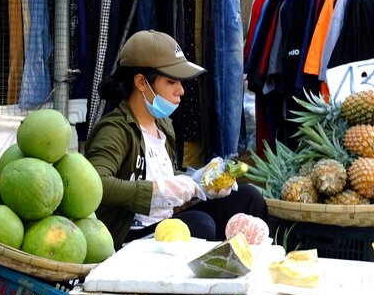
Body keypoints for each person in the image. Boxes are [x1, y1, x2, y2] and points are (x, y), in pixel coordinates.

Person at [85, 31, 268, 245]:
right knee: (200, 224)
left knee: (249, 197)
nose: (181, 90)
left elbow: (167, 181)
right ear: (141, 82)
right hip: (131, 237)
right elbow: (96, 184)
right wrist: (155, 191)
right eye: (171, 82)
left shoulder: (164, 126)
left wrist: (199, 183)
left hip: (166, 225)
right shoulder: (115, 130)